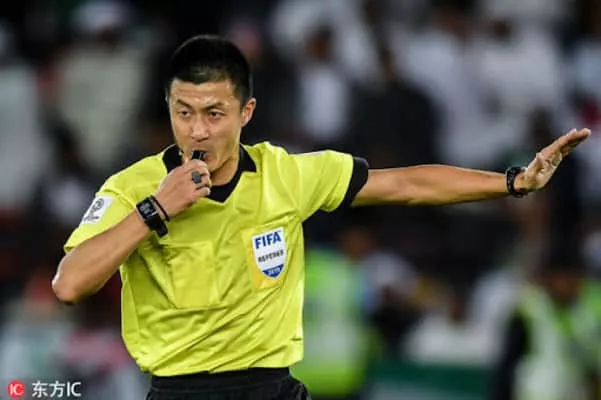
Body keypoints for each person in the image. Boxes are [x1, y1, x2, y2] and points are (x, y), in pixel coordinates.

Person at [51, 34, 590, 400]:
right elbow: (70, 284)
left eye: (214, 113)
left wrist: (514, 182)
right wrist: (154, 210)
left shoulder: (287, 174)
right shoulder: (132, 189)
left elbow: (406, 184)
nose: (197, 131)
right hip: (181, 391)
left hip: (273, 388)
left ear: (246, 112)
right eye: (183, 112)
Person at [489, 244, 601, 400]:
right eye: (561, 278)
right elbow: (507, 366)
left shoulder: (592, 309)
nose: (566, 284)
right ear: (547, 279)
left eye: (573, 278)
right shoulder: (529, 310)